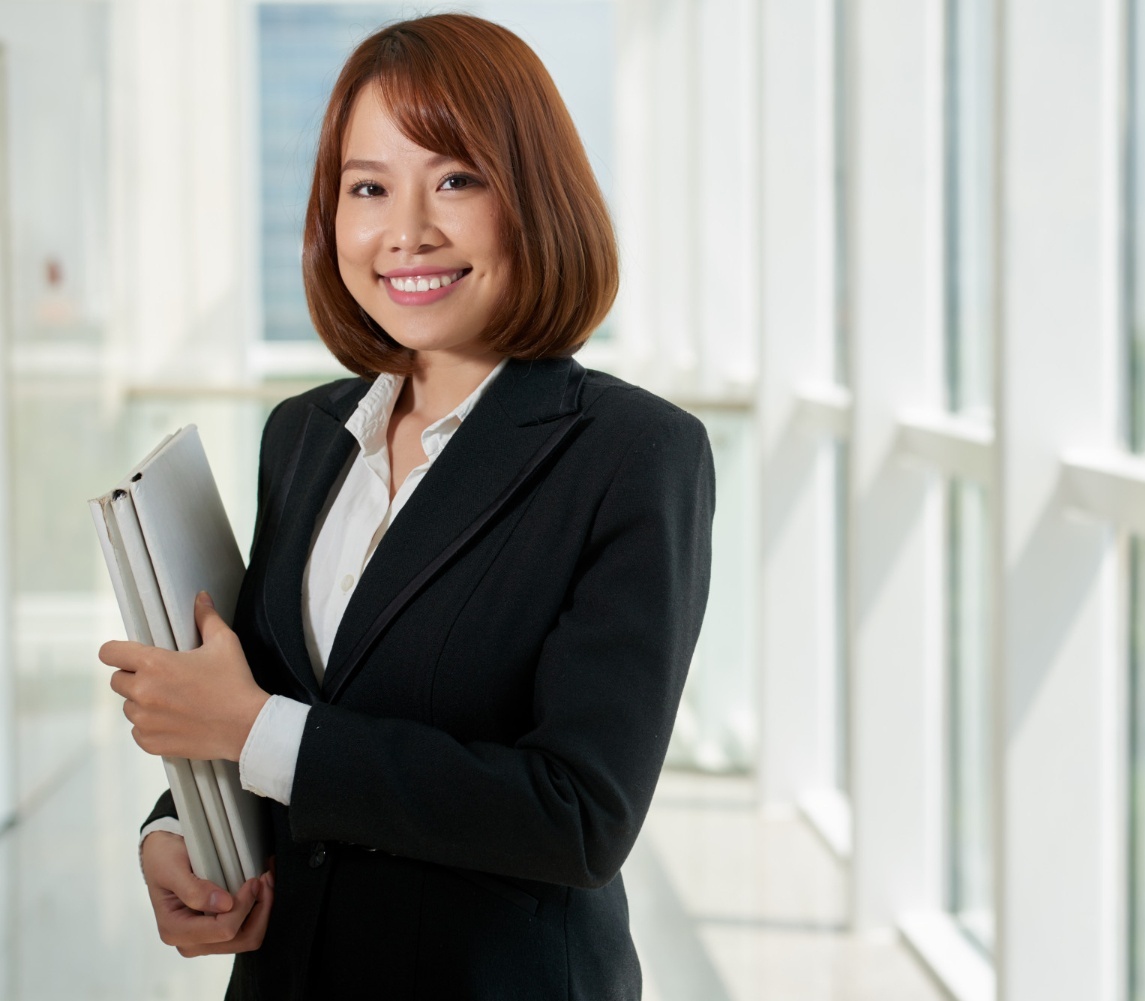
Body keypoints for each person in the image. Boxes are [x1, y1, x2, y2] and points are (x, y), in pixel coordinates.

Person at [97, 14, 714, 1000]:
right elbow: (274, 691)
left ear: (534, 200)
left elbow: (580, 814)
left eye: (457, 179)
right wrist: (178, 828)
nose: (406, 231)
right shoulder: (304, 434)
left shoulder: (632, 453)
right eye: (368, 187)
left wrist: (250, 728)